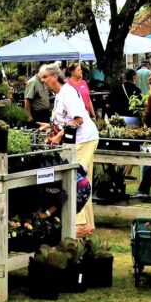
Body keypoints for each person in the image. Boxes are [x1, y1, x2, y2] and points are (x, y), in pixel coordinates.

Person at [39, 64, 98, 235]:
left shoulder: (68, 92)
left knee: (76, 179)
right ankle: (87, 224)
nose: (43, 81)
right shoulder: (60, 94)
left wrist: (59, 135)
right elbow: (64, 119)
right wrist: (50, 126)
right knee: (84, 181)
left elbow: (78, 119)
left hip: (83, 139)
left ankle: (78, 224)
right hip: (79, 140)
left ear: (54, 76)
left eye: (44, 77)